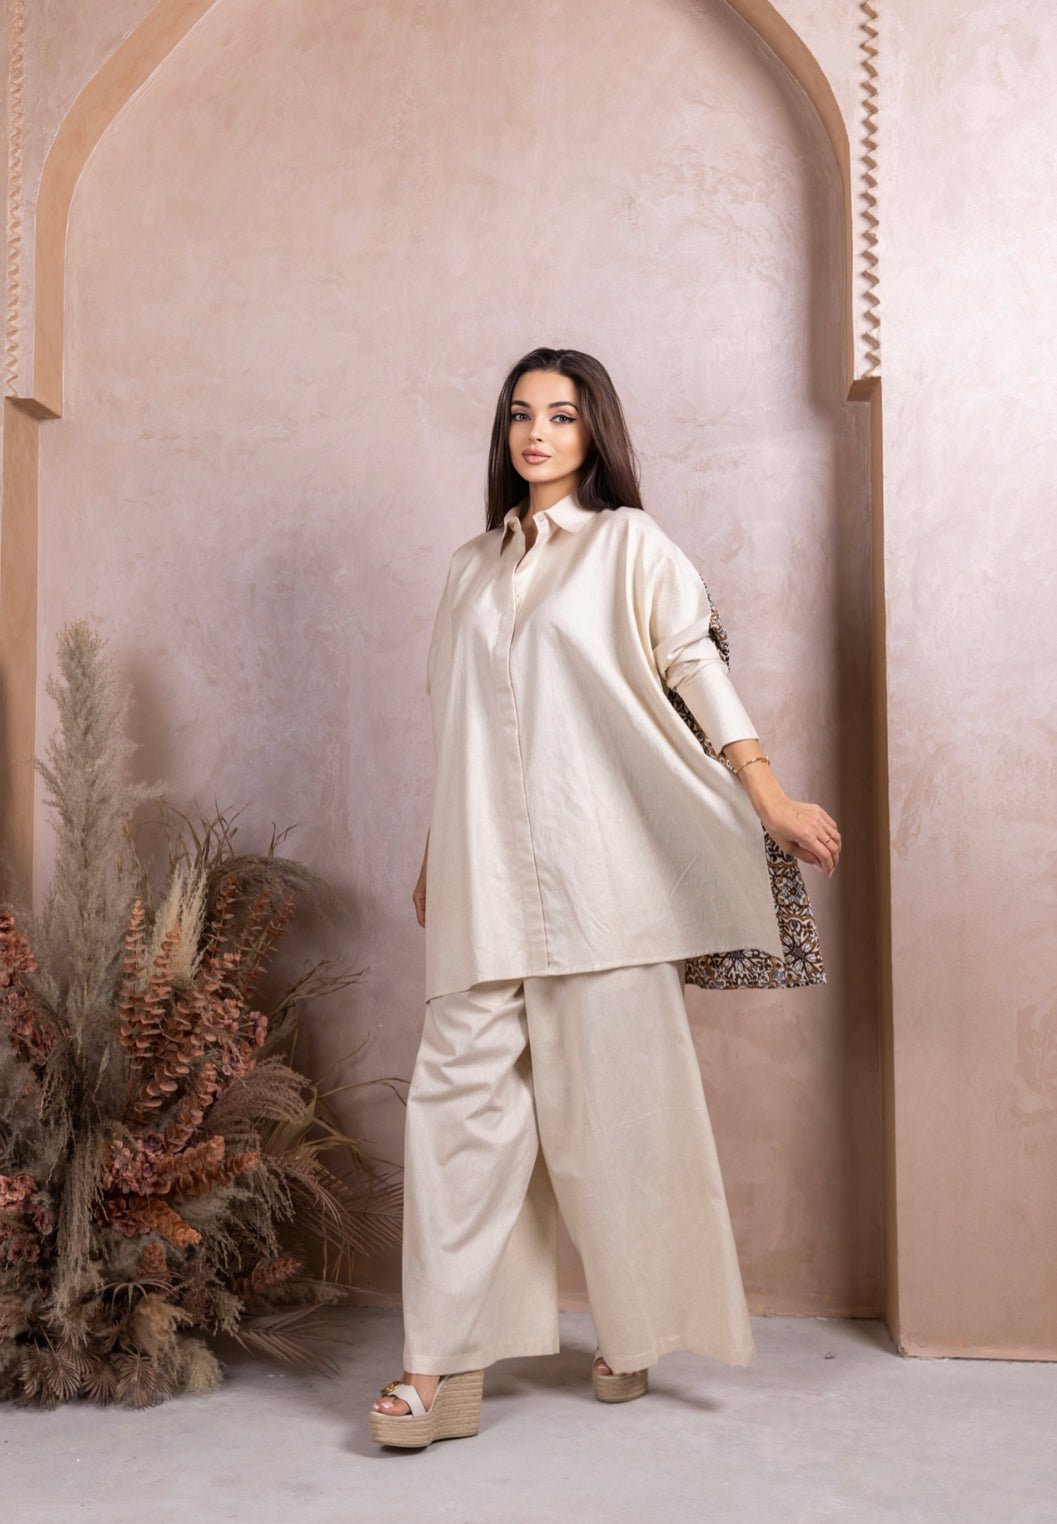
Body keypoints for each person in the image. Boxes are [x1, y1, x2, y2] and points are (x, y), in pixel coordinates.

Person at [370, 347, 841, 1448]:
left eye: (561, 415)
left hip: (603, 883)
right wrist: (440, 851)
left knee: (617, 1122)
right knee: (453, 1121)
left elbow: (693, 662)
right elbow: (458, 723)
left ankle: (633, 1333)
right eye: (520, 415)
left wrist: (766, 793)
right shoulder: (468, 569)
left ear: (594, 433)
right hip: (485, 884)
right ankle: (440, 1367)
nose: (536, 434)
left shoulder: (629, 544)